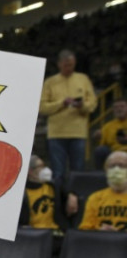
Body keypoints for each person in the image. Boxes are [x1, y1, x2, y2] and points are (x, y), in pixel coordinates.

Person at [39, 49, 97, 185]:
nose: (69, 68)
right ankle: (59, 202)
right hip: (56, 133)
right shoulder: (50, 82)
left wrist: (82, 105)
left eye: (71, 64)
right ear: (59, 64)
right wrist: (62, 103)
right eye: (66, 65)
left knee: (78, 171)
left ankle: (78, 202)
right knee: (58, 172)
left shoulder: (83, 79)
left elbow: (93, 104)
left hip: (78, 132)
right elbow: (43, 107)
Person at [20, 154, 78, 232]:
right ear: (30, 171)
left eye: (44, 165)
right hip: (34, 234)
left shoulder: (52, 186)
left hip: (55, 232)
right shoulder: (22, 194)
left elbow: (67, 189)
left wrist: (71, 195)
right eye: (41, 166)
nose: (45, 169)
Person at [79, 151, 127, 231]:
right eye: (112, 166)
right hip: (101, 241)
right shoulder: (95, 198)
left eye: (121, 165)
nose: (116, 169)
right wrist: (100, 231)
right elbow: (85, 229)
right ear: (106, 171)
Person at [93, 98, 127, 170]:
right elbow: (102, 145)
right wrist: (97, 136)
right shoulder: (108, 126)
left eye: (122, 106)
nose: (119, 109)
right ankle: (100, 177)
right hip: (114, 153)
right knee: (100, 150)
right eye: (116, 107)